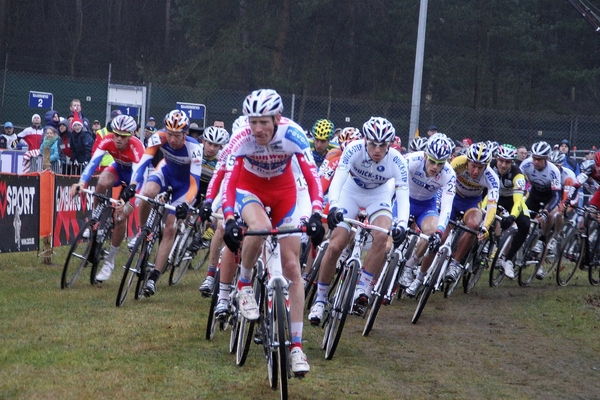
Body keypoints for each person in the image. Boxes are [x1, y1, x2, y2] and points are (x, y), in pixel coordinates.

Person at [219, 89, 325, 376]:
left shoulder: (293, 134)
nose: (257, 129)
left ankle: (297, 347)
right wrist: (229, 218)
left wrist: (316, 213)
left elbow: (312, 176)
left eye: (263, 122)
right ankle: (243, 286)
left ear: (277, 118)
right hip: (249, 189)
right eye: (252, 122)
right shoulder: (242, 137)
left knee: (292, 267)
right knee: (261, 228)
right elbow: (229, 183)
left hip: (284, 193)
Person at [308, 117, 408, 322]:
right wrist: (334, 205)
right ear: (365, 141)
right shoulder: (353, 149)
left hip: (377, 196)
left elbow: (403, 196)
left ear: (389, 144)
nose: (377, 150)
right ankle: (320, 299)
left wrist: (403, 224)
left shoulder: (397, 161)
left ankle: (362, 287)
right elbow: (338, 180)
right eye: (373, 144)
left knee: (382, 236)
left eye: (383, 145)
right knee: (335, 245)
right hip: (350, 192)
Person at [128, 110, 203, 297]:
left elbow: (195, 184)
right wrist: (132, 184)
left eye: (177, 135)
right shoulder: (158, 136)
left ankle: (154, 276)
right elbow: (144, 162)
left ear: (185, 134)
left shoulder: (195, 149)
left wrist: (186, 204)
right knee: (147, 192)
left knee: (169, 228)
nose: (171, 139)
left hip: (185, 186)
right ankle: (142, 231)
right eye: (169, 134)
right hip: (166, 173)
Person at [69, 115, 145, 282]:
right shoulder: (108, 139)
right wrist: (81, 182)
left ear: (130, 135)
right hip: (118, 169)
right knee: (101, 182)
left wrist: (127, 196)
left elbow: (138, 173)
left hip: (135, 180)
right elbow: (93, 162)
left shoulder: (137, 146)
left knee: (120, 217)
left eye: (122, 136)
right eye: (115, 134)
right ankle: (95, 219)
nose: (117, 139)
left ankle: (109, 262)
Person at [435, 142, 500, 286]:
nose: (476, 171)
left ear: (486, 166)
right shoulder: (458, 163)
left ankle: (455, 264)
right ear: (468, 161)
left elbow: (492, 205)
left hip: (472, 202)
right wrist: (439, 202)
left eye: (480, 167)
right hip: (452, 197)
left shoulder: (492, 178)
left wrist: (486, 226)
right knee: (442, 235)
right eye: (473, 165)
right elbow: (442, 182)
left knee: (474, 224)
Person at [399, 135, 457, 294]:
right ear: (425, 155)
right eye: (431, 161)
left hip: (426, 205)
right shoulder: (411, 160)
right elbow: (392, 184)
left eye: (440, 163)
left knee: (431, 234)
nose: (435, 167)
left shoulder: (449, 174)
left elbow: (446, 207)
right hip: (403, 199)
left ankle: (410, 266)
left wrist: (439, 231)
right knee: (389, 241)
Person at [519, 141, 562, 279]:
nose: (535, 162)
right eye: (534, 158)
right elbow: (518, 182)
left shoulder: (554, 172)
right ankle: (504, 258)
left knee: (549, 218)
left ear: (546, 159)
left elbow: (556, 196)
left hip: (550, 198)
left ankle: (542, 245)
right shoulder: (526, 164)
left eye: (539, 159)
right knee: (518, 220)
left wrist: (545, 210)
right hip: (534, 195)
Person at [487, 144, 529, 279]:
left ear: (512, 162)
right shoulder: (490, 166)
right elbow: (485, 191)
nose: (503, 165)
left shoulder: (518, 174)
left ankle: (508, 260)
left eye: (507, 162)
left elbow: (518, 201)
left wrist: (512, 216)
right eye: (500, 160)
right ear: (496, 159)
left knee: (525, 225)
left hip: (512, 200)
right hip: (494, 196)